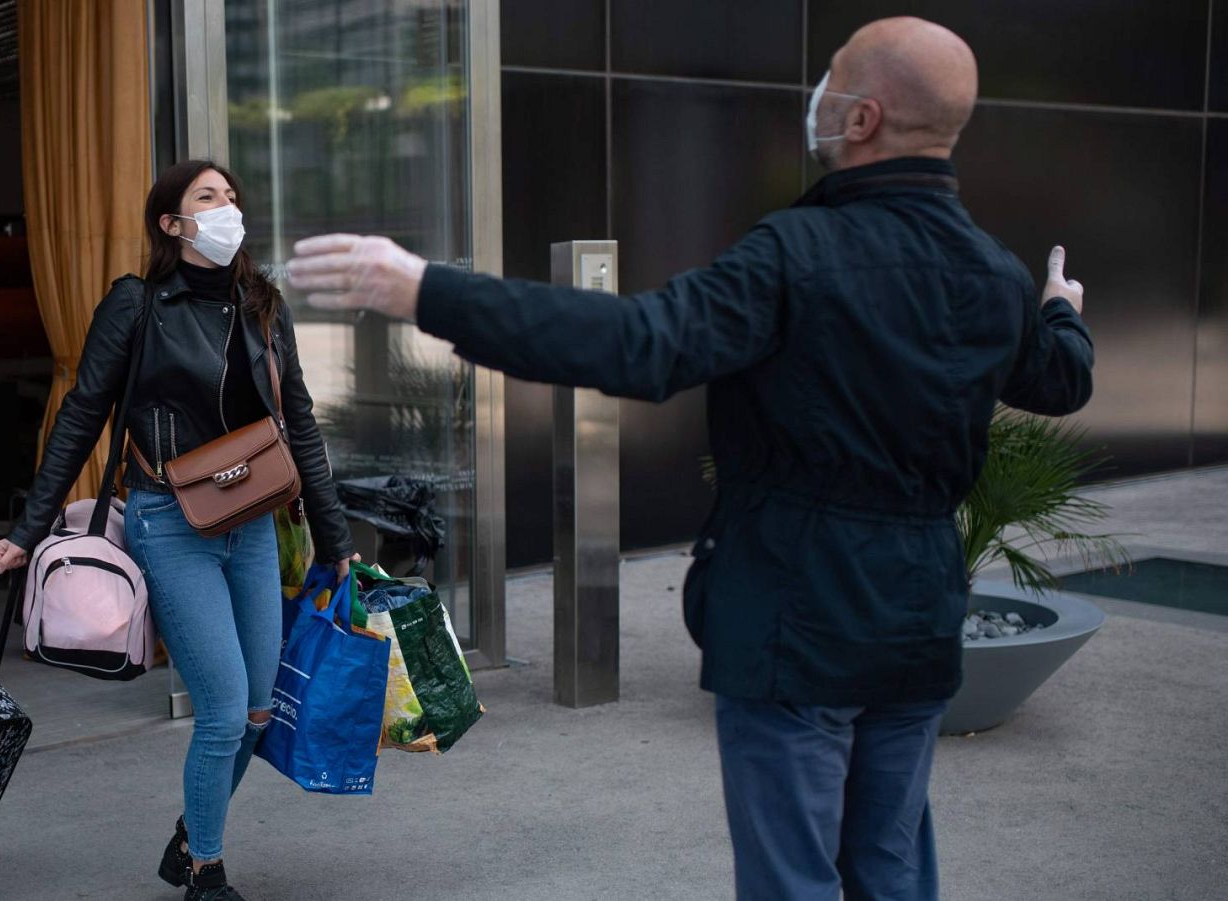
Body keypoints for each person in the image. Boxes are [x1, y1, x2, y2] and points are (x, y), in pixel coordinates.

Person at [285, 17, 1093, 901]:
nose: (813, 93)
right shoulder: (992, 274)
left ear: (860, 119)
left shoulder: (795, 254)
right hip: (920, 618)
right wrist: (1059, 308)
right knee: (890, 868)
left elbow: (640, 344)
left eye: (828, 78)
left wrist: (423, 288)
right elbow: (1059, 380)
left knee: (793, 878)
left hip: (797, 618)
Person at [0, 160, 356, 901]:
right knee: (222, 710)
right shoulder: (137, 304)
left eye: (231, 196)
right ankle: (206, 874)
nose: (228, 208)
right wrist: (30, 528)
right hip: (169, 521)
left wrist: (337, 534)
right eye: (208, 197)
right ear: (173, 223)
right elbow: (81, 415)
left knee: (258, 710)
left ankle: (192, 834)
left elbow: (303, 427)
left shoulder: (263, 304)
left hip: (251, 522)